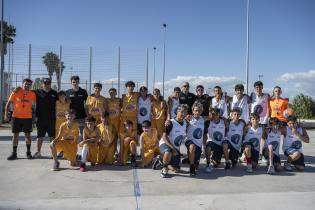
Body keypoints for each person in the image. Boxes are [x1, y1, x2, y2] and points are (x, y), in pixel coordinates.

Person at [5, 78, 36, 160]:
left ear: (31, 85)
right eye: (25, 83)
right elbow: (8, 103)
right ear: (22, 84)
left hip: (28, 117)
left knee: (28, 136)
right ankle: (14, 153)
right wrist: (6, 114)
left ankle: (28, 153)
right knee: (15, 136)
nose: (27, 85)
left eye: (29, 84)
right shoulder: (16, 91)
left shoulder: (33, 94)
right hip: (16, 117)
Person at [159, 104, 188, 178]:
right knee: (168, 152)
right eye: (181, 112)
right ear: (177, 112)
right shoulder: (170, 123)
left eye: (185, 112)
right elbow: (164, 137)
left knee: (176, 170)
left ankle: (161, 160)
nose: (183, 114)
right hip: (166, 143)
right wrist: (172, 148)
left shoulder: (185, 123)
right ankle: (164, 168)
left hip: (175, 147)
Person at [33, 78, 58, 158]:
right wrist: (18, 89)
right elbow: (26, 92)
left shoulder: (54, 93)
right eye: (45, 83)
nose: (47, 85)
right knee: (40, 136)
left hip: (52, 119)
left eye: (48, 83)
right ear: (42, 84)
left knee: (52, 136)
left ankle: (52, 153)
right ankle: (38, 152)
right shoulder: (37, 92)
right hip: (40, 119)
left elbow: (62, 100)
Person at [204, 108, 227, 172]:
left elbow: (228, 129)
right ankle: (208, 163)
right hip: (212, 142)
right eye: (212, 114)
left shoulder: (223, 121)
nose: (214, 115)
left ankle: (225, 161)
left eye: (216, 114)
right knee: (208, 147)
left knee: (216, 165)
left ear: (219, 114)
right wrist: (204, 146)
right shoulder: (208, 122)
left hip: (220, 144)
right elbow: (204, 134)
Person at [185, 102, 204, 176]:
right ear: (193, 111)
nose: (197, 112)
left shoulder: (203, 119)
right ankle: (191, 167)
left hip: (198, 144)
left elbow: (215, 117)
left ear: (201, 111)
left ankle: (189, 159)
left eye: (199, 111)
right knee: (192, 147)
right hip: (189, 141)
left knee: (197, 166)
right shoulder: (189, 119)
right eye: (196, 110)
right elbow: (179, 120)